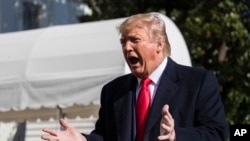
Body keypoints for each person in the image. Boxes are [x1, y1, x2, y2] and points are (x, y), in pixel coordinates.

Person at [41, 12, 229, 141]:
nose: (127, 47)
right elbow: (106, 137)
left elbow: (218, 134)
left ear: (159, 45)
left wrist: (175, 135)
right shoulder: (113, 91)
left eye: (135, 40)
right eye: (123, 41)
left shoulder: (197, 82)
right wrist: (83, 139)